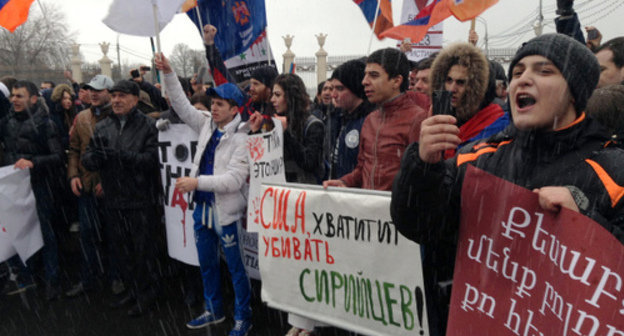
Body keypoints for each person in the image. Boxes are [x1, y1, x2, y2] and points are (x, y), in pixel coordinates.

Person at [391, 33, 624, 335]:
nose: (523, 80)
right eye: (517, 72)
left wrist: (586, 224)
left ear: (574, 91)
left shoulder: (612, 170)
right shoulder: (477, 158)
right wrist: (422, 166)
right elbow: (419, 225)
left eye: (544, 71)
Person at [155, 53, 253, 335]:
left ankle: (243, 317)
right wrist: (170, 73)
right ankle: (214, 310)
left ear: (235, 109)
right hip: (202, 209)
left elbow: (235, 180)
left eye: (220, 104)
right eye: (213, 103)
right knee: (207, 264)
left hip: (226, 212)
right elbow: (183, 106)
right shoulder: (207, 124)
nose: (214, 108)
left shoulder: (243, 137)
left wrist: (197, 183)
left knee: (236, 270)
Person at [81, 80, 161, 316]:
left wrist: (121, 156)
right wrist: (93, 160)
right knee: (123, 251)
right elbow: (88, 158)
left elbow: (151, 161)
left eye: (122, 96)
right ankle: (132, 290)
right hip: (114, 201)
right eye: (114, 95)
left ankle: (148, 294)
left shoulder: (149, 126)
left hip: (141, 201)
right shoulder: (103, 126)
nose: (116, 100)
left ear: (135, 99)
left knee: (143, 252)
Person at [323, 47, 429, 191]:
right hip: (367, 210)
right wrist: (345, 182)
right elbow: (362, 169)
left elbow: (421, 178)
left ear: (396, 81)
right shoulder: (370, 120)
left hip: (396, 211)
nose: (364, 81)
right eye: (365, 75)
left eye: (373, 75)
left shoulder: (418, 119)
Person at [0, 80, 65, 300]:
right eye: (13, 96)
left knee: (46, 233)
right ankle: (27, 277)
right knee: (18, 232)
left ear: (34, 98)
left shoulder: (46, 124)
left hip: (40, 186)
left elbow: (58, 157)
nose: (15, 100)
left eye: (20, 96)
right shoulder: (6, 122)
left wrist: (33, 162)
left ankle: (53, 280)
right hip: (14, 189)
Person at [65, 74, 115, 298]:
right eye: (90, 89)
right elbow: (74, 149)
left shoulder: (118, 116)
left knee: (114, 236)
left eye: (99, 90)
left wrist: (108, 180)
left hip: (113, 190)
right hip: (86, 186)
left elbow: (121, 155)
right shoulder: (82, 117)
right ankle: (88, 279)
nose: (93, 93)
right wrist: (73, 174)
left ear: (110, 93)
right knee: (87, 235)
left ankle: (117, 279)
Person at [429, 42, 509, 158]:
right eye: (448, 80)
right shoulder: (440, 116)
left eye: (461, 82)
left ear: (476, 87)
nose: (452, 89)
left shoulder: (497, 123)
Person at [202, 24, 278, 122]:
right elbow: (222, 75)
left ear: (269, 88)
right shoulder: (244, 102)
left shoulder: (281, 110)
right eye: (251, 83)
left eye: (256, 84)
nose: (251, 88)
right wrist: (209, 44)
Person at [326, 59, 375, 179]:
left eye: (340, 89)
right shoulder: (344, 118)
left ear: (355, 89)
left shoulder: (369, 122)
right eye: (333, 88)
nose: (333, 95)